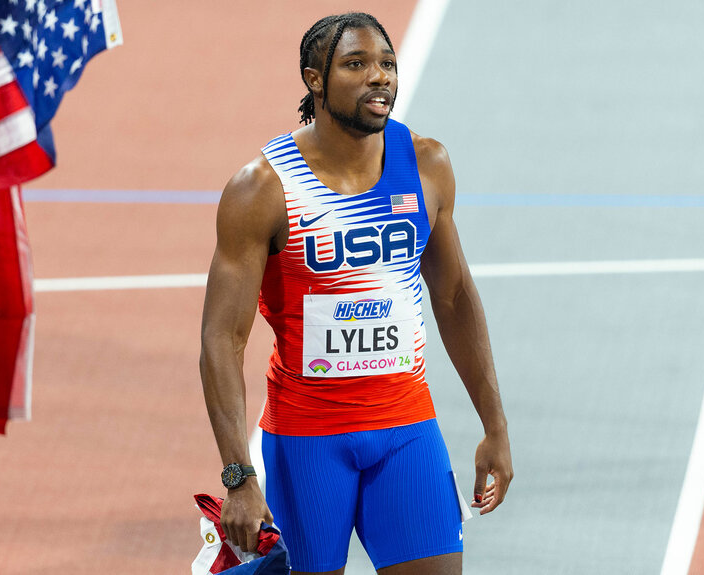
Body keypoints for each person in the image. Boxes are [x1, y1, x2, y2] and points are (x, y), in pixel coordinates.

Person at [200, 12, 513, 575]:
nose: (379, 77)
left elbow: (454, 298)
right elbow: (222, 339)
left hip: (405, 427)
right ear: (314, 79)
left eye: (387, 64)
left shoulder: (425, 165)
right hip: (309, 440)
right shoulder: (263, 189)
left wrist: (495, 426)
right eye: (356, 64)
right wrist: (238, 477)